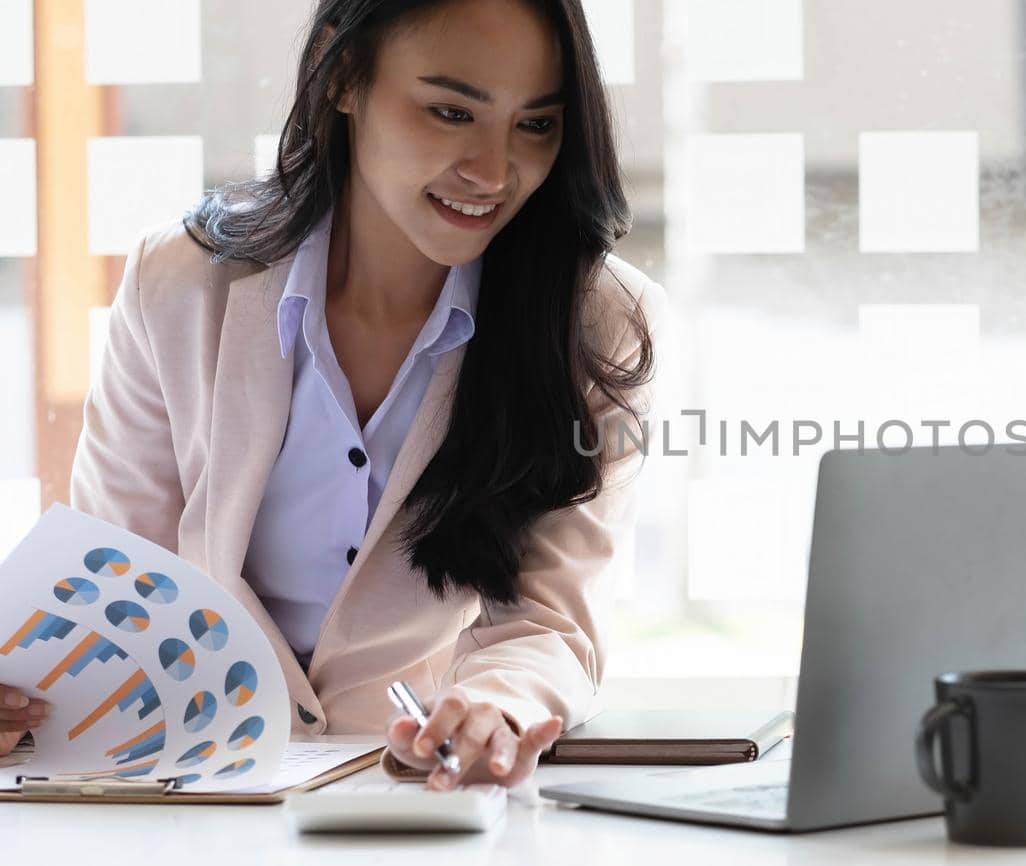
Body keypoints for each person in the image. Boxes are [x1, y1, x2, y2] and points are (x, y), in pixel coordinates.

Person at [0, 0, 662, 792]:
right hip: (191, 788)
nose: (492, 171)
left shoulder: (598, 328)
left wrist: (493, 709)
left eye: (536, 125)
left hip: (418, 797)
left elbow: (552, 619)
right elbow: (114, 582)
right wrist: (23, 699)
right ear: (341, 73)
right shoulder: (176, 285)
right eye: (452, 112)